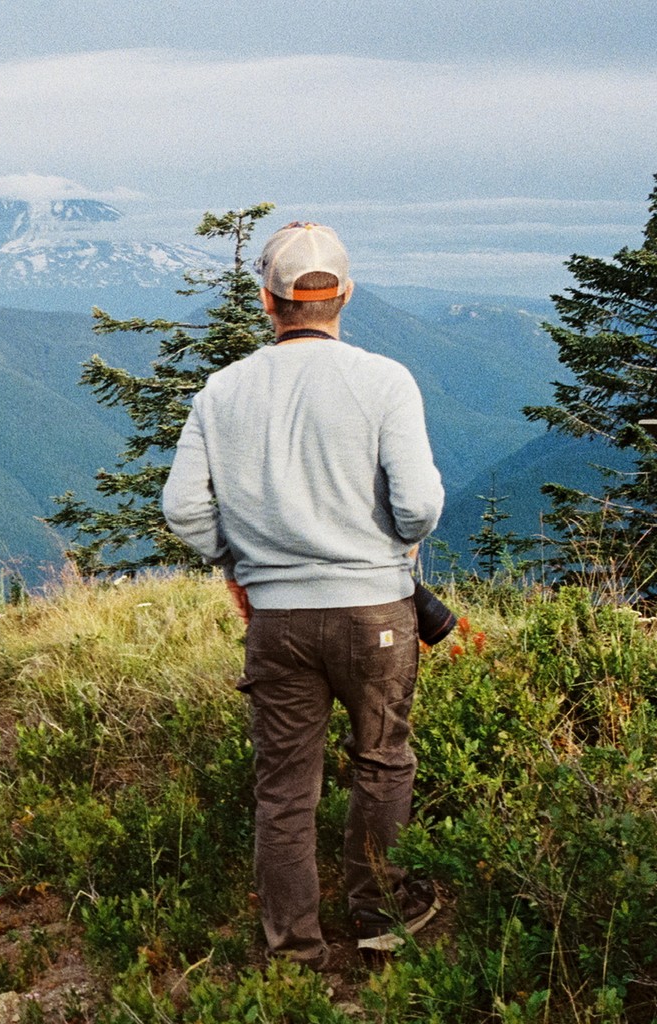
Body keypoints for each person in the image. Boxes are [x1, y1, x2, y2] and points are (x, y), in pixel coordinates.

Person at [160, 221, 445, 971]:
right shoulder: (384, 381)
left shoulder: (221, 391)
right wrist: (395, 543)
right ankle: (380, 919)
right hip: (375, 611)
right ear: (345, 293)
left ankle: (294, 952)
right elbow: (418, 504)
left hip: (277, 619)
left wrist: (237, 563)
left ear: (268, 301)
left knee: (285, 789)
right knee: (382, 761)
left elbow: (182, 509)